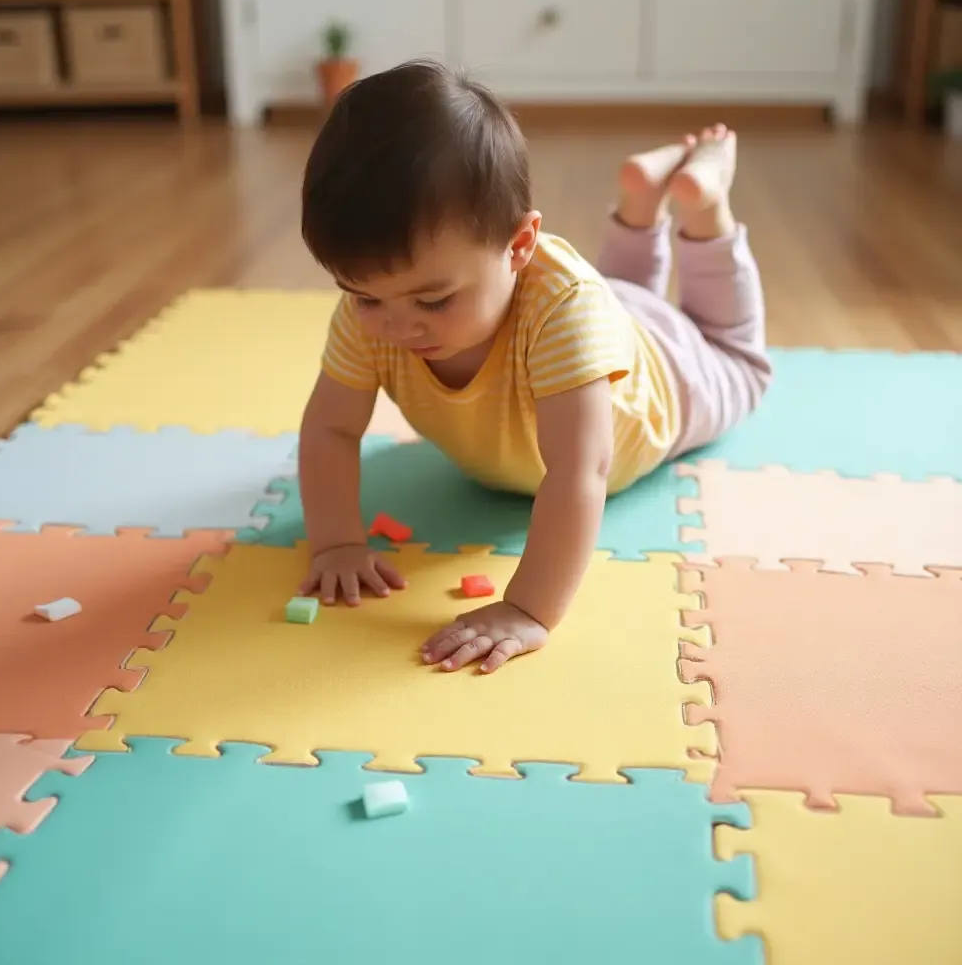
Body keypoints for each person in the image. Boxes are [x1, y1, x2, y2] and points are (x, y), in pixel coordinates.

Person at [295, 59, 772, 673]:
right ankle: (640, 203)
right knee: (620, 292)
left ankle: (705, 211)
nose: (396, 325)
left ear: (519, 247)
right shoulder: (383, 308)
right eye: (364, 296)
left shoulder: (563, 314)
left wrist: (529, 608)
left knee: (733, 352)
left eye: (433, 300)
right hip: (601, 312)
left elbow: (581, 469)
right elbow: (331, 427)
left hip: (671, 375)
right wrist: (336, 543)